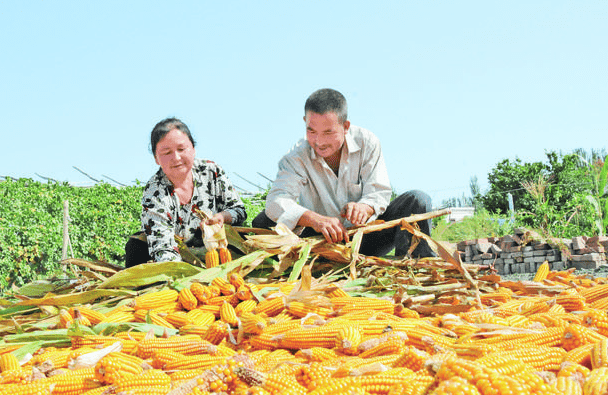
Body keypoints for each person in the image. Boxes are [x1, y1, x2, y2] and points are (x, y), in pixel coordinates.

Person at [252, 88, 435, 258]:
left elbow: (378, 192)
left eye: (328, 132)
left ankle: (412, 269)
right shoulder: (297, 156)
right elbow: (277, 201)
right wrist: (316, 220)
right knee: (263, 221)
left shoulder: (367, 142)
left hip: (366, 236)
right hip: (320, 242)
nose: (319, 141)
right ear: (305, 123)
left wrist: (365, 207)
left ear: (345, 126)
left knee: (417, 200)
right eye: (311, 131)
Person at [125, 117, 247, 267]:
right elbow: (163, 246)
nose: (176, 158)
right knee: (135, 245)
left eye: (181, 149)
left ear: (193, 149)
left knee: (241, 237)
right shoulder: (154, 193)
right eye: (166, 152)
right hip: (177, 252)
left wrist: (223, 217)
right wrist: (182, 276)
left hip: (213, 246)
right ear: (156, 158)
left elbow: (239, 211)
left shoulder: (211, 171)